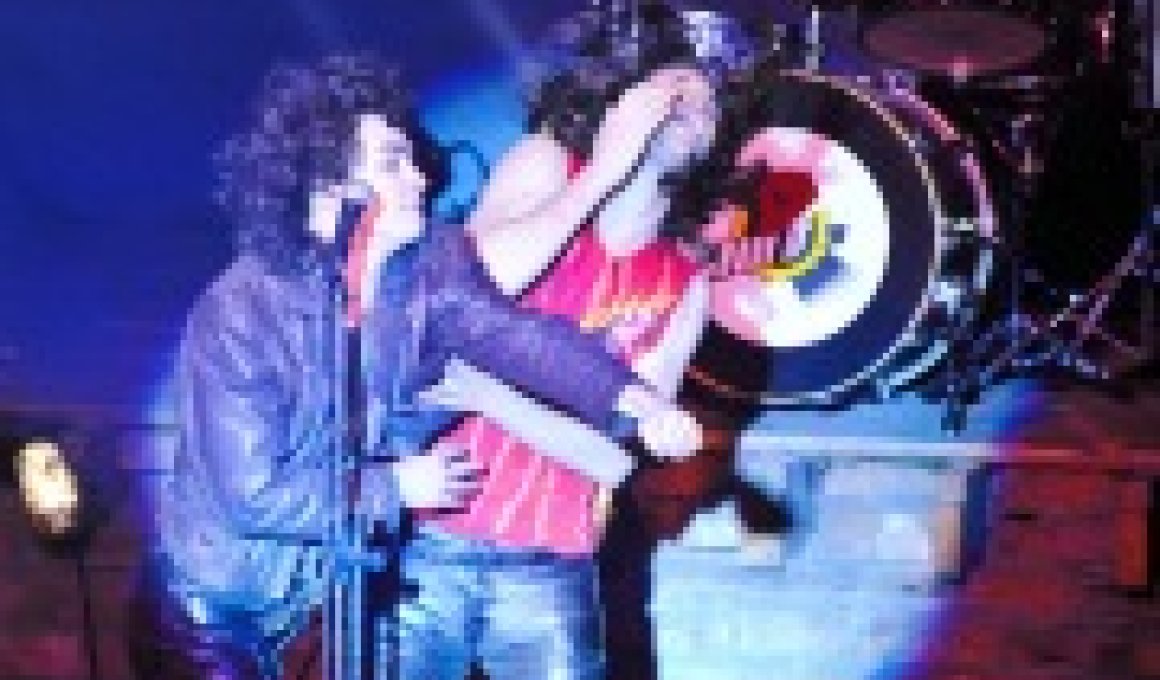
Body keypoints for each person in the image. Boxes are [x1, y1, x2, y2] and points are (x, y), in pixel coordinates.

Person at [129, 53, 702, 680]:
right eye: (392, 162)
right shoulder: (242, 312)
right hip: (209, 616)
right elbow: (253, 496)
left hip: (300, 606)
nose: (419, 179)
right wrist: (396, 486)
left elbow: (518, 335)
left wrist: (635, 399)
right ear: (329, 185)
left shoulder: (429, 267)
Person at [394, 44, 732, 678]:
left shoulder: (684, 284)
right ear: (619, 100)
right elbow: (468, 297)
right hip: (429, 539)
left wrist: (487, 395)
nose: (690, 101)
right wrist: (602, 172)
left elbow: (612, 453)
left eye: (707, 102)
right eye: (671, 85)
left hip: (552, 560)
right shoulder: (544, 163)